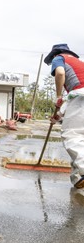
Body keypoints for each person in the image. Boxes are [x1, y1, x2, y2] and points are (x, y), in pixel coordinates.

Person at [44, 43, 84, 189]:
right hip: (79, 97)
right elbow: (74, 97)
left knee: (72, 135)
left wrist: (58, 95)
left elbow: (60, 73)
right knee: (81, 139)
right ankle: (77, 177)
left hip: (81, 97)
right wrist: (59, 116)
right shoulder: (79, 64)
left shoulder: (59, 58)